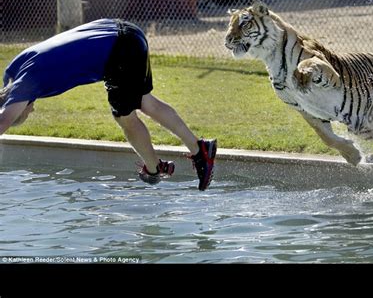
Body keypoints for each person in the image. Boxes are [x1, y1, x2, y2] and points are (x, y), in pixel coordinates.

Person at [0, 18, 217, 191]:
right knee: (144, 101)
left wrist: (12, 112)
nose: (32, 109)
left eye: (25, 113)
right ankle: (199, 149)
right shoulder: (13, 71)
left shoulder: (24, 87)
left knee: (124, 116)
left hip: (118, 51)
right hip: (121, 30)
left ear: (17, 105)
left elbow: (3, 122)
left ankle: (154, 169)